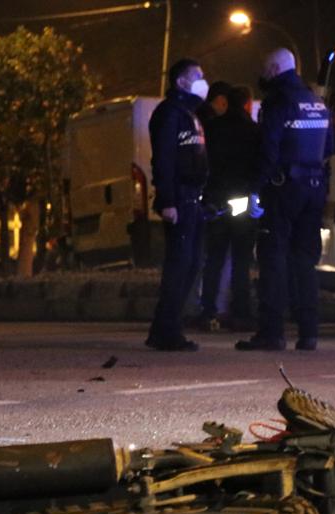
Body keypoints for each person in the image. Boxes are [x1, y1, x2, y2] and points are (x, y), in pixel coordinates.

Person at [236, 48, 333, 352]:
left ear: (276, 68)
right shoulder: (317, 102)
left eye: (265, 68)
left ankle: (272, 332)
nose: (262, 74)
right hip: (315, 187)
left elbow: (268, 151)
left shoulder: (277, 103)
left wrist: (254, 188)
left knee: (273, 258)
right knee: (304, 261)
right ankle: (308, 333)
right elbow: (328, 146)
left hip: (282, 188)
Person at [145, 58, 210, 352]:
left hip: (193, 200)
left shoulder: (190, 114)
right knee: (179, 266)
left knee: (192, 264)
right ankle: (167, 332)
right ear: (180, 82)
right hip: (180, 199)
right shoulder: (169, 114)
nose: (202, 80)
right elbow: (164, 160)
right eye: (196, 76)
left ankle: (165, 327)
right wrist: (168, 200)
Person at [199, 85, 260, 330]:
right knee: (241, 261)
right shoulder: (254, 131)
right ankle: (241, 313)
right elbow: (258, 165)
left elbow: (205, 163)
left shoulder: (213, 128)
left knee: (214, 259)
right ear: (247, 104)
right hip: (243, 203)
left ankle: (208, 310)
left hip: (217, 201)